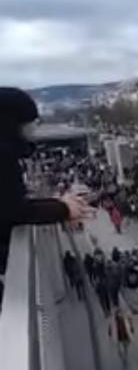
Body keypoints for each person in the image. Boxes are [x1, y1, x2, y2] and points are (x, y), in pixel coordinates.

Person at [0, 87, 90, 286]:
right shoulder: (3, 158)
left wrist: (58, 204)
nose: (31, 133)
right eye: (26, 126)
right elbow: (14, 210)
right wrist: (63, 208)